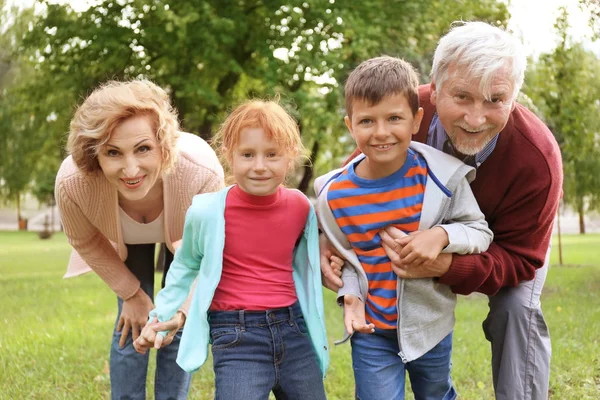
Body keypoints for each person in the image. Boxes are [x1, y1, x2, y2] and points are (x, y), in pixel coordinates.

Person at [322, 22, 563, 400]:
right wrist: (326, 236)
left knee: (516, 310)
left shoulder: (538, 159)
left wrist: (448, 267)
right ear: (433, 91)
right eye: (462, 97)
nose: (476, 117)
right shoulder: (399, 114)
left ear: (515, 98)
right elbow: (352, 181)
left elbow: (520, 260)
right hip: (415, 240)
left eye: (495, 100)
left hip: (505, 245)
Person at [314, 56, 493, 400]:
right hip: (371, 330)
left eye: (394, 118)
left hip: (430, 325)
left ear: (416, 120)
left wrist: (440, 236)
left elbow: (479, 232)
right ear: (351, 126)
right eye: (367, 121)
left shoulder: (440, 179)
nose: (381, 132)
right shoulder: (336, 196)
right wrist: (349, 297)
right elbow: (350, 259)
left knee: (436, 394)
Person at [133, 99, 330, 400]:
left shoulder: (301, 208)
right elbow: (186, 266)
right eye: (248, 155)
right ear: (229, 155)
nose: (260, 166)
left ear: (290, 156)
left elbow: (309, 262)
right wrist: (164, 315)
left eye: (272, 154)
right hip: (237, 337)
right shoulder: (207, 211)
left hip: (294, 330)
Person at [55, 79, 224, 400]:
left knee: (173, 324)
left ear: (162, 143)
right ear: (94, 154)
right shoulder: (73, 183)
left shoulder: (200, 171)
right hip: (124, 240)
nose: (130, 169)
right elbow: (86, 241)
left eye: (143, 148)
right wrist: (132, 295)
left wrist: (183, 309)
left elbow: (209, 251)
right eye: (113, 153)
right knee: (133, 321)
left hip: (187, 242)